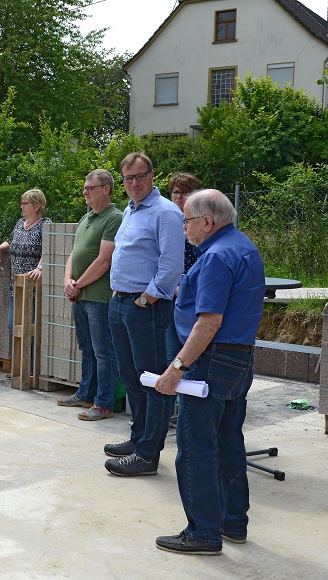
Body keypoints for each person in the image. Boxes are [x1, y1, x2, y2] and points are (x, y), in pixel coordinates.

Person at [154, 190, 265, 555]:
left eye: (186, 220)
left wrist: (176, 367)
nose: (184, 227)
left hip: (210, 361)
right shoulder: (242, 246)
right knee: (229, 442)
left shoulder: (216, 255)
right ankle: (232, 522)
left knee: (195, 447)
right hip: (239, 359)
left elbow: (209, 321)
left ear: (206, 221)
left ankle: (202, 532)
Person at [105, 152, 184, 476]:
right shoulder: (130, 209)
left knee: (153, 380)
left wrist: (147, 298)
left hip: (145, 308)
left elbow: (171, 264)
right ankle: (138, 439)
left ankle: (148, 455)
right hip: (120, 303)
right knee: (131, 376)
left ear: (153, 176)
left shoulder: (165, 212)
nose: (134, 183)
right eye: (128, 178)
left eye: (140, 176)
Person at [59, 170, 122, 420]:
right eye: (85, 187)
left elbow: (104, 260)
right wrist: (67, 281)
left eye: (90, 188)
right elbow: (74, 254)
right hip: (81, 295)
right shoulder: (87, 218)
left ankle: (104, 403)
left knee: (104, 351)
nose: (85, 191)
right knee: (86, 348)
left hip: (99, 296)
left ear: (106, 189)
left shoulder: (114, 218)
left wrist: (77, 284)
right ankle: (86, 393)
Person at [0, 188, 50, 372]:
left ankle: (30, 369)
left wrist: (40, 267)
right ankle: (19, 367)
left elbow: (49, 249)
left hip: (32, 287)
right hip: (15, 286)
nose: (21, 206)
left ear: (37, 205)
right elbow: (11, 240)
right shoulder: (20, 223)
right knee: (13, 326)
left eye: (25, 203)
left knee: (29, 329)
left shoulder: (45, 224)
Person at [165, 172, 201, 363]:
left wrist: (183, 289)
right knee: (171, 352)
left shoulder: (201, 223)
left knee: (189, 350)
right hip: (168, 293)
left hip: (191, 295)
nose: (179, 197)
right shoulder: (165, 218)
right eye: (176, 192)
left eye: (185, 193)